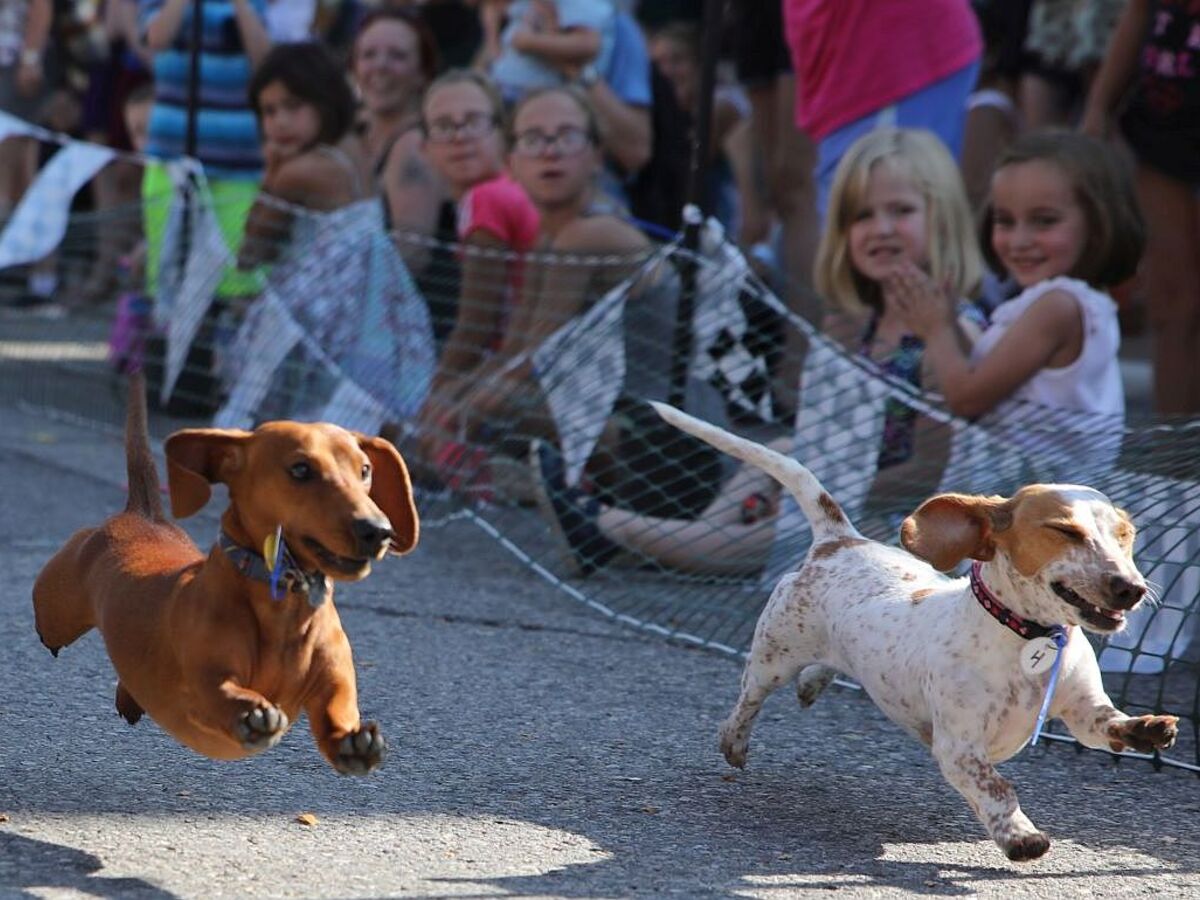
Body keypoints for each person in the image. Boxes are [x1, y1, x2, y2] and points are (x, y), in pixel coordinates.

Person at [532, 127, 988, 576]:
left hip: (910, 526)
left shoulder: (949, 329)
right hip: (841, 492)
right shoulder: (854, 322)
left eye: (901, 211)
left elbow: (929, 473)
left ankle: (606, 524)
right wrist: (800, 477)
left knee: (815, 531)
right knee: (781, 451)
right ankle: (677, 536)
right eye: (862, 216)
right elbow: (824, 431)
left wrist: (818, 490)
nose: (880, 228)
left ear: (942, 218)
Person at [416, 85, 653, 487]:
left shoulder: (590, 235)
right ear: (513, 161)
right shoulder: (550, 238)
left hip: (661, 441)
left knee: (492, 408)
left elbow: (533, 362)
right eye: (533, 139)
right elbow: (515, 346)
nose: (550, 150)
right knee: (468, 409)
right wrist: (446, 402)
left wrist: (453, 414)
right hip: (618, 415)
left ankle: (547, 486)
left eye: (568, 136)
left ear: (596, 157)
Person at [889, 131, 1144, 426]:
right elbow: (987, 374)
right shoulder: (1057, 302)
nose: (1020, 240)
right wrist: (947, 323)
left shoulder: (1059, 306)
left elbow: (967, 399)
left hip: (1031, 473)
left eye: (1045, 221)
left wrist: (935, 331)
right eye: (1006, 221)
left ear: (1098, 225)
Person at [1082, 0, 1200, 415]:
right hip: (1162, 126)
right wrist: (1099, 105)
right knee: (1173, 304)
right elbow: (1139, 10)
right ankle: (1175, 465)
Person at [411, 69, 540, 446]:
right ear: (425, 147)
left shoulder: (486, 199)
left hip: (533, 376)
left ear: (502, 133)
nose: (460, 136)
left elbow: (475, 328)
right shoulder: (506, 190)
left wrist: (432, 402)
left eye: (473, 122)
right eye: (444, 126)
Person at [238, 41, 370, 269]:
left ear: (325, 102)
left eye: (293, 106)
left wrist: (272, 170)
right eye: (269, 111)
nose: (281, 122)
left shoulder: (302, 171)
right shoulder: (352, 144)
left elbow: (250, 255)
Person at [648, 21, 767, 245]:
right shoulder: (668, 117)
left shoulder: (719, 107)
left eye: (677, 60)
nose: (667, 71)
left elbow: (690, 161)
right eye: (658, 64)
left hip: (738, 228)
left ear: (699, 66)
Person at [351, 7, 443, 244]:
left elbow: (412, 256)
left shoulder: (414, 146)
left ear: (423, 73)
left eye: (397, 56)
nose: (380, 65)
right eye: (369, 55)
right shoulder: (352, 132)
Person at [484, 0, 614, 103]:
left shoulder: (579, 4)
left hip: (537, 98)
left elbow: (588, 44)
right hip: (505, 89)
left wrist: (529, 42)